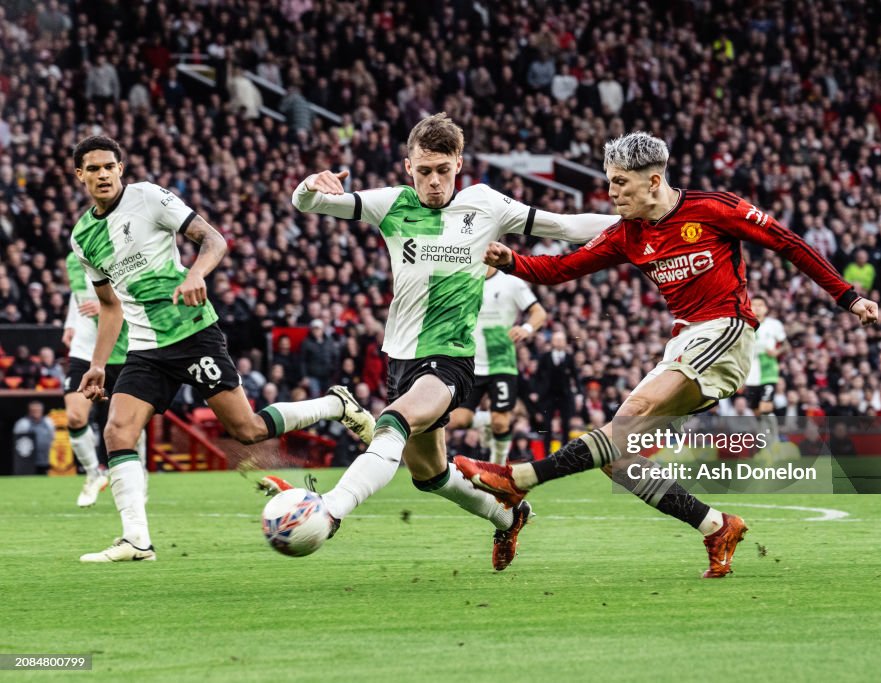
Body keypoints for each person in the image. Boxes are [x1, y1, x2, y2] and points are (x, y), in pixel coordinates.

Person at [457, 132, 879, 578]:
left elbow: (788, 242)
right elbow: (562, 269)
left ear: (653, 181)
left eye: (621, 183)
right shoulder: (628, 234)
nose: (612, 193)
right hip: (682, 344)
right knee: (618, 457)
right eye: (610, 182)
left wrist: (848, 297)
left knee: (629, 416)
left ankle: (518, 479)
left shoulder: (714, 208)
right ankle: (716, 525)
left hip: (726, 330)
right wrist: (511, 261)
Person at [262, 113, 619, 570]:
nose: (434, 182)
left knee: (393, 421)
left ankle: (331, 510)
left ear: (459, 165)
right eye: (424, 170)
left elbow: (565, 226)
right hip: (402, 360)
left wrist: (640, 219)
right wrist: (311, 184)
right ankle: (508, 518)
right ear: (408, 167)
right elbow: (306, 204)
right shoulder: (392, 204)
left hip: (449, 358)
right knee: (429, 475)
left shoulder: (485, 205)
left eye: (443, 170)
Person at [70, 135, 371, 563]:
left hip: (193, 332)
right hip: (146, 346)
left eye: (109, 166)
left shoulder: (149, 197)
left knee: (246, 430)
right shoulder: (82, 237)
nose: (102, 175)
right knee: (117, 430)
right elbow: (109, 306)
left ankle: (335, 406)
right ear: (79, 175)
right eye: (93, 169)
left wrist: (195, 274)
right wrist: (98, 364)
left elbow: (214, 240)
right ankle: (137, 541)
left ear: (121, 168)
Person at [447, 266, 547, 465]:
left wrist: (526, 328)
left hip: (501, 363)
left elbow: (539, 313)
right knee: (458, 420)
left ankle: (498, 467)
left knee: (501, 423)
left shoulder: (511, 282)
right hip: (470, 363)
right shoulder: (463, 280)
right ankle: (485, 421)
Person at [63, 250, 137, 507]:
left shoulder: (127, 258)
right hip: (84, 350)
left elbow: (139, 301)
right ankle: (94, 473)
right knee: (75, 416)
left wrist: (110, 304)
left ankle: (141, 477)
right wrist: (69, 325)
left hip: (121, 351)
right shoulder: (76, 260)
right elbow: (79, 296)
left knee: (130, 424)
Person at [743, 295, 787, 448]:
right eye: (753, 305)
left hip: (768, 371)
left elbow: (786, 345)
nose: (757, 308)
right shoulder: (744, 325)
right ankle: (765, 444)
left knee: (765, 407)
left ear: (766, 308)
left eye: (760, 305)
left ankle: (774, 442)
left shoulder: (774, 325)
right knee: (757, 412)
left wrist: (777, 352)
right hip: (750, 374)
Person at [14, 401, 55, 475]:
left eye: (38, 410)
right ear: (29, 411)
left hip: (45, 458)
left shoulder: (48, 422)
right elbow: (17, 442)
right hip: (27, 460)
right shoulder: (23, 423)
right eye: (34, 410)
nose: (36, 412)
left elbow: (52, 437)